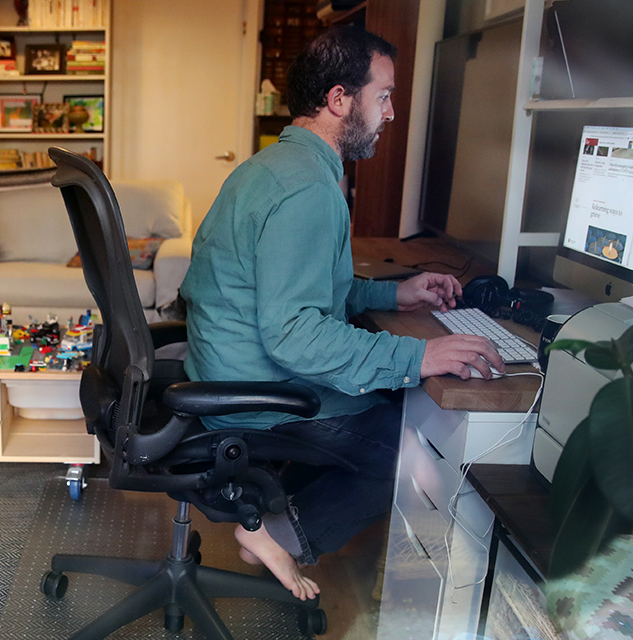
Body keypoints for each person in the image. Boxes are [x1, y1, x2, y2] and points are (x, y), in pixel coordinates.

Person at [179, 26, 503, 601]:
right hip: (260, 392)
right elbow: (295, 333)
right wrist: (421, 353)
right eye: (384, 96)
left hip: (229, 370)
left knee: (395, 398)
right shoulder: (309, 190)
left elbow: (300, 288)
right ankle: (276, 534)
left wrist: (392, 296)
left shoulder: (272, 168)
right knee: (419, 449)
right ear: (339, 100)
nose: (392, 112)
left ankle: (286, 520)